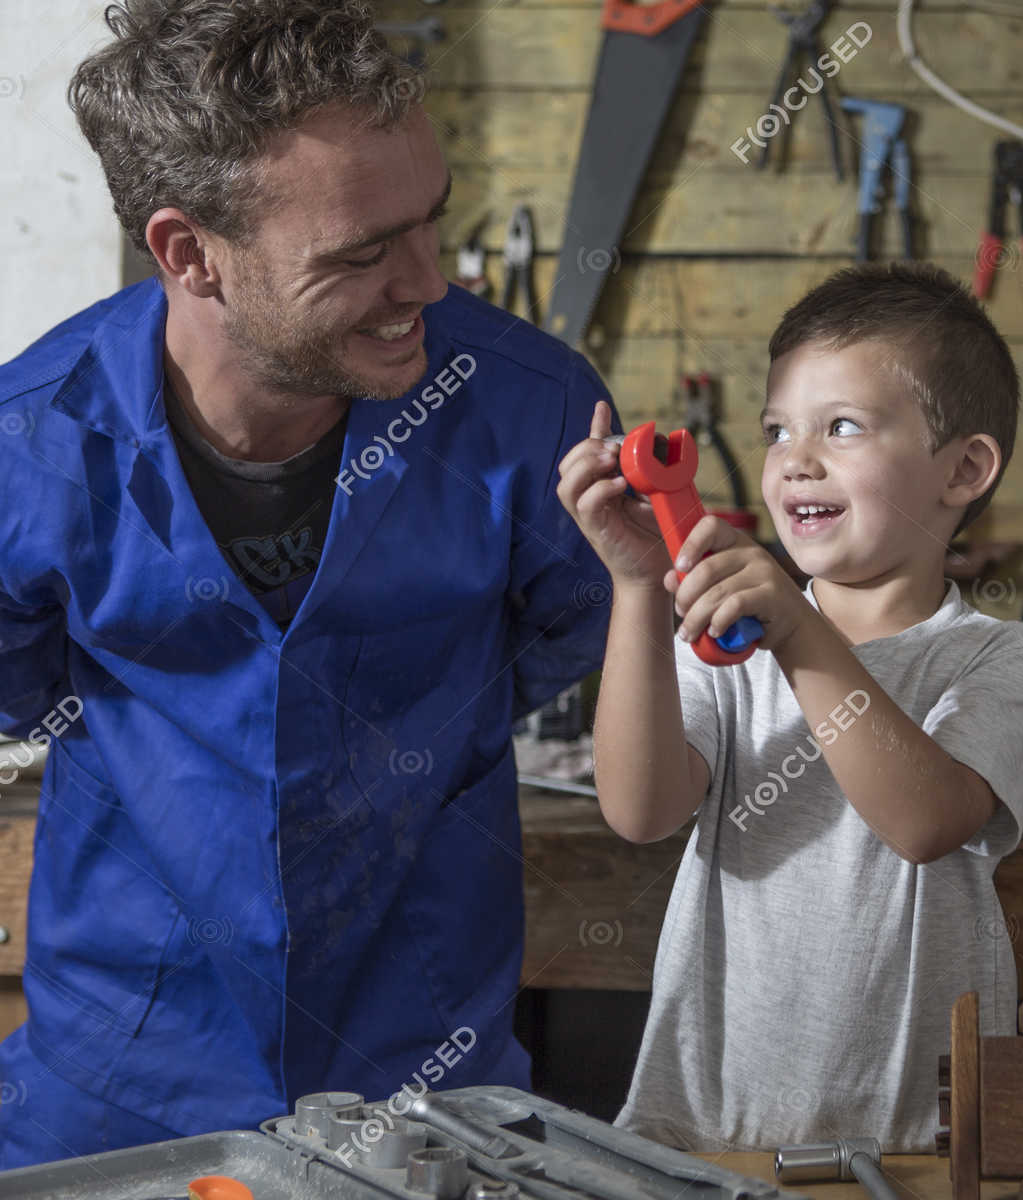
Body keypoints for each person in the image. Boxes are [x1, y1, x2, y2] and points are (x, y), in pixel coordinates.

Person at [0, 0, 618, 1167]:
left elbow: (567, 643)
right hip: (115, 1079)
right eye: (362, 253)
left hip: (435, 1085)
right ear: (190, 254)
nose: (428, 282)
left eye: (430, 222)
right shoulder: (26, 448)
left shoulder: (536, 416)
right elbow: (17, 696)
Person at [557, 262, 1023, 1151]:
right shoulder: (729, 642)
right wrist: (638, 590)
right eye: (778, 429)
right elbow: (640, 812)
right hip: (715, 1126)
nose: (797, 459)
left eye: (844, 426)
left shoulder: (994, 657)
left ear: (964, 468)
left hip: (916, 1141)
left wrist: (794, 630)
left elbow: (925, 822)